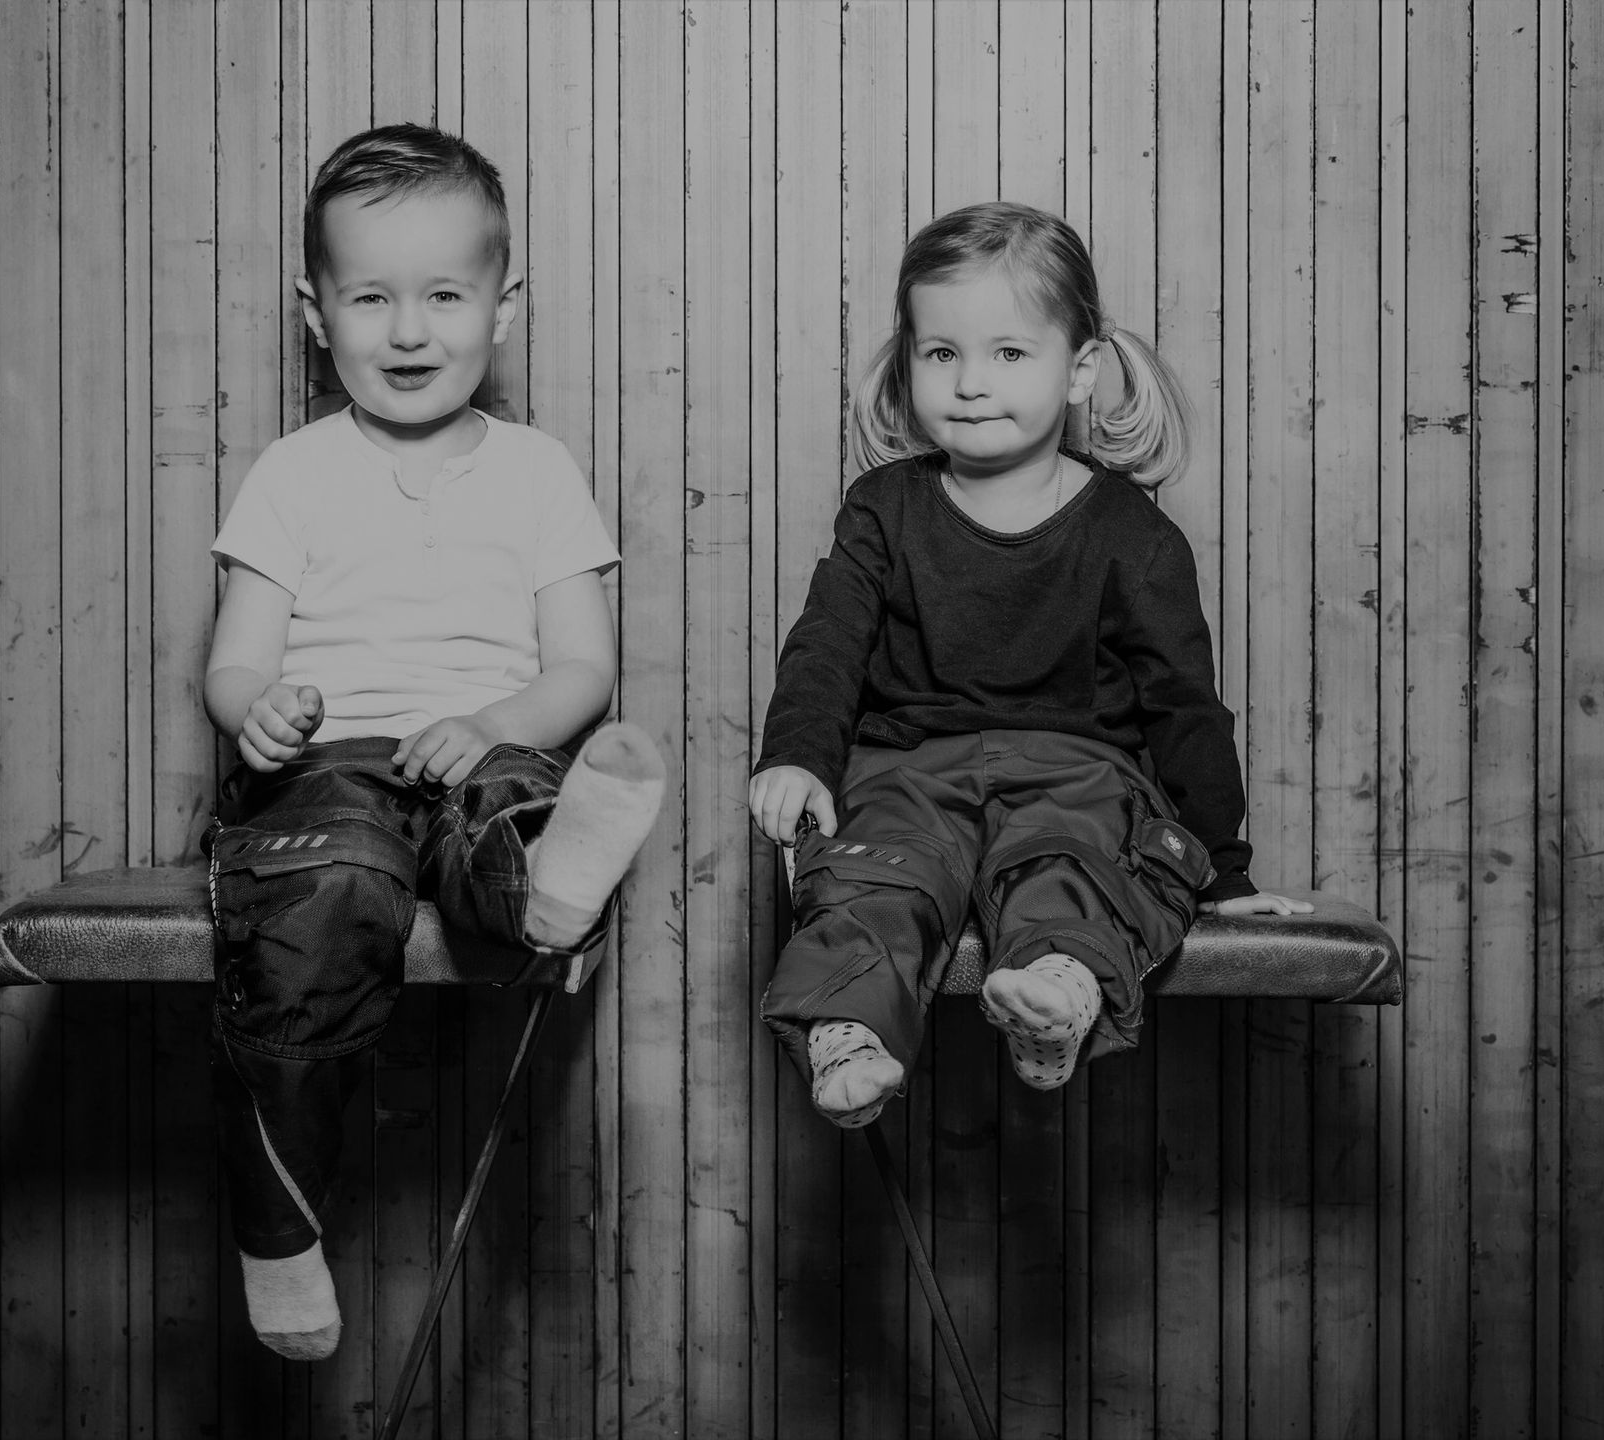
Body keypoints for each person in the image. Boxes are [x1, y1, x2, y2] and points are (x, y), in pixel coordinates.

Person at [203, 123, 664, 1361]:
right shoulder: (293, 474)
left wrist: (495, 722)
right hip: (329, 763)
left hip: (485, 748)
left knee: (508, 812)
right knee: (326, 889)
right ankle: (282, 1224)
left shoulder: (536, 470)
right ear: (318, 313)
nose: (410, 332)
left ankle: (546, 881)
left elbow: (582, 667)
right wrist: (256, 706)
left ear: (502, 309)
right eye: (372, 299)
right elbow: (236, 655)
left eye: (445, 297)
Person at [750, 200, 1309, 1129]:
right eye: (942, 354)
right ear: (908, 364)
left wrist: (1228, 871)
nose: (971, 382)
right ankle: (850, 1031)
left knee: (1074, 859)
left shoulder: (1135, 534)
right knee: (873, 875)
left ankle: (1060, 989)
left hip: (1077, 775)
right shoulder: (883, 508)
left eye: (1009, 354)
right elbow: (828, 642)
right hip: (908, 775)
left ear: (1080, 367)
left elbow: (1184, 706)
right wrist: (798, 754)